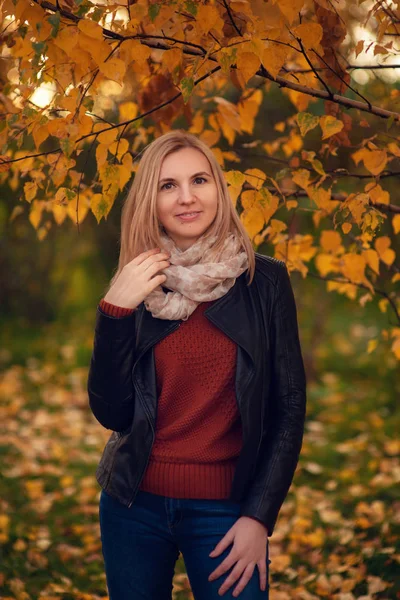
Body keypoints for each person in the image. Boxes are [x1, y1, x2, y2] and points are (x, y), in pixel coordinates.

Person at [87, 130, 307, 600]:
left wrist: (258, 517)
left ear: (219, 189)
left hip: (228, 509)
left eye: (199, 180)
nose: (187, 198)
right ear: (151, 199)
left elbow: (287, 409)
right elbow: (113, 414)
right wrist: (115, 314)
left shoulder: (263, 280)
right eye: (168, 185)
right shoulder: (138, 279)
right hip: (133, 505)